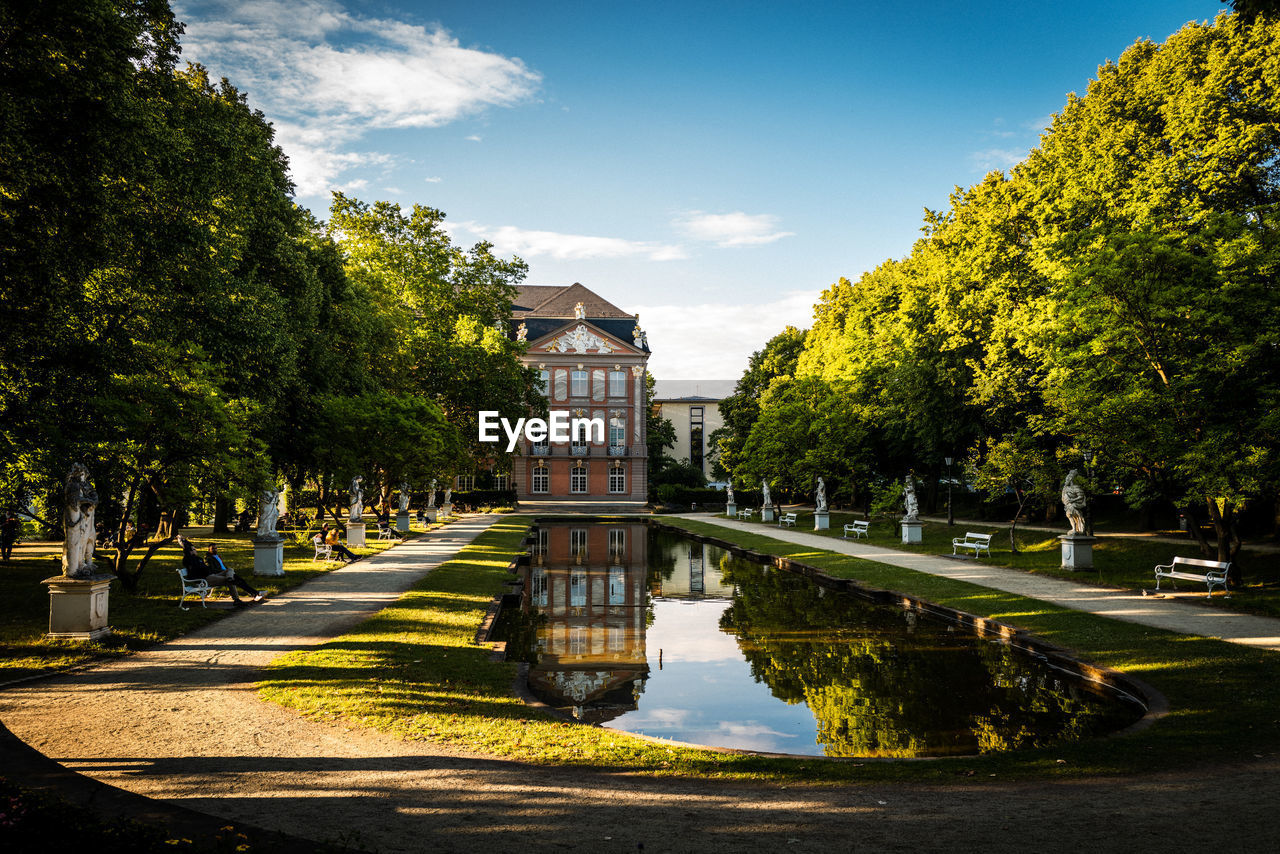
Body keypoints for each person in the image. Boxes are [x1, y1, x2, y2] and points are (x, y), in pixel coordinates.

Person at [178, 537, 256, 605]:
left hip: (212, 575)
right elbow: (187, 550)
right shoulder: (188, 560)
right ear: (190, 552)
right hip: (205, 579)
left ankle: (231, 579)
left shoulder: (199, 559)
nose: (196, 550)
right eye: (194, 549)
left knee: (230, 571)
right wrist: (182, 542)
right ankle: (240, 598)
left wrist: (184, 540)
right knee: (232, 580)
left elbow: (190, 546)